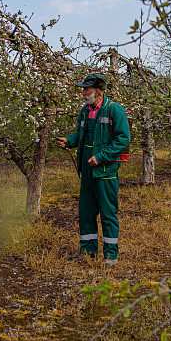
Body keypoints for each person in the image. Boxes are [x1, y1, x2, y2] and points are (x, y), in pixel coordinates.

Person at [56, 73, 130, 266]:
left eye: (85, 89)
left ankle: (110, 255)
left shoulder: (114, 110)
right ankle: (87, 251)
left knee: (107, 213)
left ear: (97, 91)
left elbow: (123, 139)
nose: (82, 93)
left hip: (105, 171)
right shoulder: (84, 111)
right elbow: (80, 134)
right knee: (86, 212)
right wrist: (69, 141)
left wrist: (101, 157)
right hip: (87, 171)